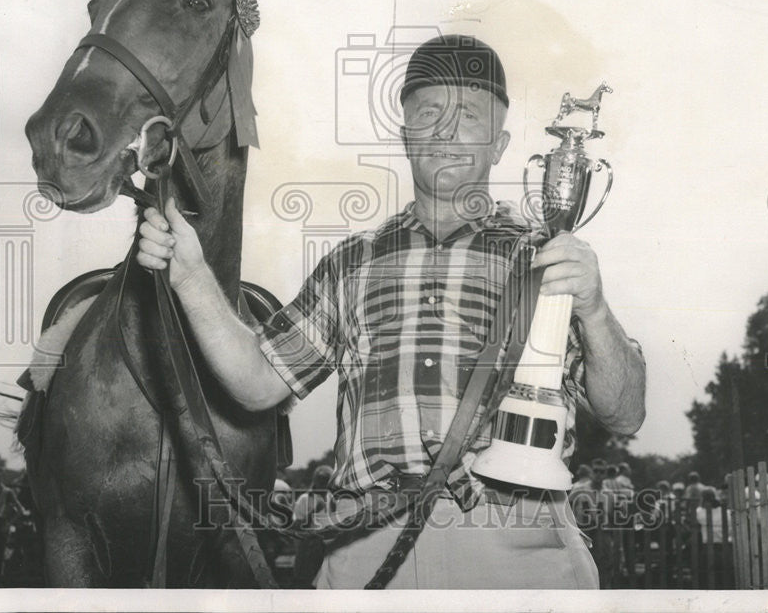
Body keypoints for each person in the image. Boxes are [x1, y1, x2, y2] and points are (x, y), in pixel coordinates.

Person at [137, 33, 647, 589]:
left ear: (499, 145)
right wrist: (189, 276)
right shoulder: (352, 261)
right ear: (405, 135)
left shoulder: (544, 256)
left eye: (469, 115)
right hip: (369, 550)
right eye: (429, 112)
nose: (447, 131)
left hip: (520, 551)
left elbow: (625, 413)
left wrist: (594, 310)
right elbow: (259, 382)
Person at [291, 464, 335, 588]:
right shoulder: (305, 499)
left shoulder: (332, 498)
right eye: (322, 482)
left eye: (327, 483)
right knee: (304, 584)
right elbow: (296, 527)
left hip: (328, 548)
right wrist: (313, 512)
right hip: (308, 549)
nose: (324, 486)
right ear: (316, 482)